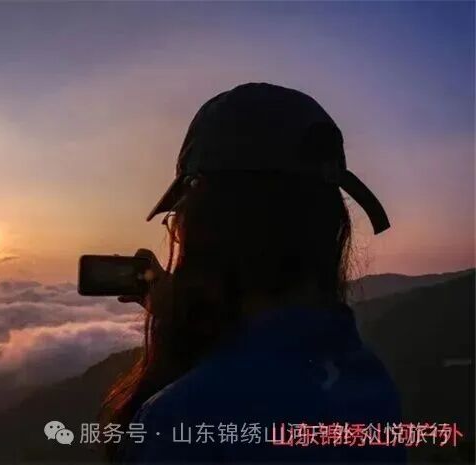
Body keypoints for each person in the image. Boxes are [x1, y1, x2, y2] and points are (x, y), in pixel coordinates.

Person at [102, 83, 404, 463]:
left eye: (179, 220)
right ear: (330, 227)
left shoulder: (181, 421)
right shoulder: (369, 383)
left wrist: (170, 347)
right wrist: (180, 318)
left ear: (213, 231)